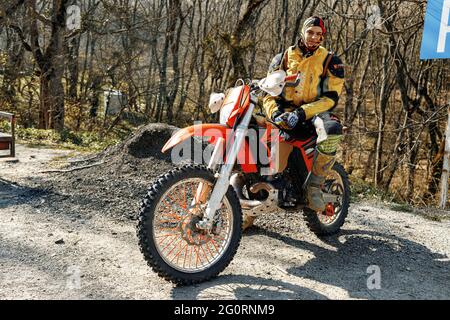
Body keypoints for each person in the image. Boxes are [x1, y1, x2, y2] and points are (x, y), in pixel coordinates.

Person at [263, 16, 345, 212]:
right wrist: (275, 114)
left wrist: (302, 112)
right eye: (310, 32)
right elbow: (268, 93)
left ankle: (314, 186)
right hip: (286, 109)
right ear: (302, 32)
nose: (314, 37)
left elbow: (331, 98)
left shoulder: (331, 61)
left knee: (332, 129)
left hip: (315, 111)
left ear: (323, 36)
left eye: (319, 34)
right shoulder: (282, 58)